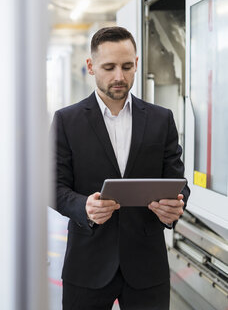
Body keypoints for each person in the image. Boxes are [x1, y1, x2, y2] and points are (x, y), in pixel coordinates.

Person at [51, 26, 190, 309]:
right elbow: (52, 186)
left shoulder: (161, 119)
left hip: (147, 266)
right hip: (87, 265)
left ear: (137, 64)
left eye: (127, 67)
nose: (119, 76)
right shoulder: (67, 121)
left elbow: (178, 181)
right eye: (109, 67)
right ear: (91, 67)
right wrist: (83, 207)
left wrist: (175, 206)